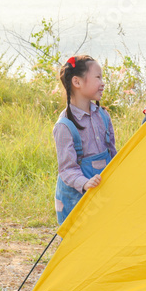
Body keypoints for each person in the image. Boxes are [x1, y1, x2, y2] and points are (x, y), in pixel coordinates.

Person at [53, 54, 116, 225]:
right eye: (98, 77)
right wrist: (85, 183)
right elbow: (67, 169)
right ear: (77, 82)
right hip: (76, 197)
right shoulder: (64, 126)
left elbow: (113, 154)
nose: (103, 83)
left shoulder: (103, 116)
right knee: (76, 240)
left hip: (103, 193)